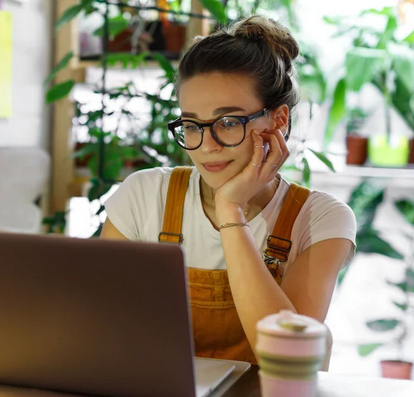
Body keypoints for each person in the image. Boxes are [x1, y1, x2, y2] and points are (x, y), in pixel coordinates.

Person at [101, 15, 356, 365]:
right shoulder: (145, 194)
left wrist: (230, 210)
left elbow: (290, 356)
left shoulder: (320, 220)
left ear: (278, 121)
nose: (206, 145)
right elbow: (100, 328)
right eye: (192, 125)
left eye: (228, 122)